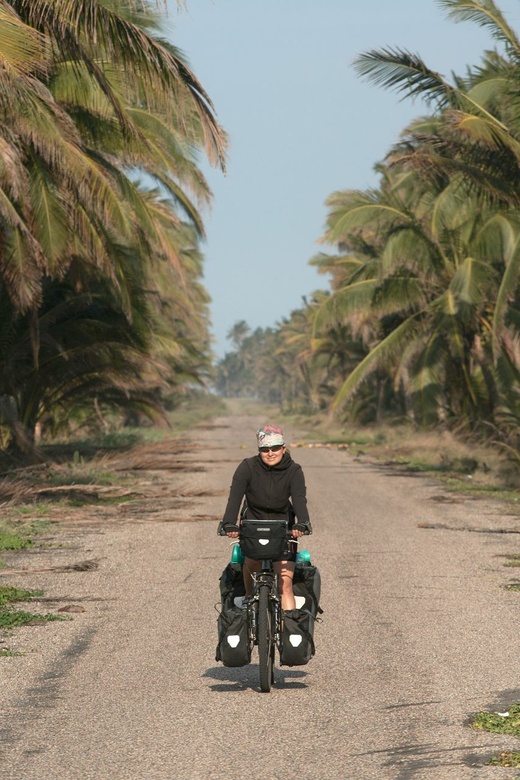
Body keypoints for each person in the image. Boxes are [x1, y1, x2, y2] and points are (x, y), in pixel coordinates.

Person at [218, 424, 312, 610]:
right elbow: (235, 497)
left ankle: (288, 632)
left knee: (284, 585)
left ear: (283, 448)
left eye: (275, 448)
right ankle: (248, 597)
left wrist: (302, 523)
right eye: (265, 449)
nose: (270, 453)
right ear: (259, 450)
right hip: (253, 524)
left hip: (283, 528)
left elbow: (299, 499)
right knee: (251, 563)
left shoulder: (294, 470)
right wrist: (228, 523)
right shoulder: (247, 467)